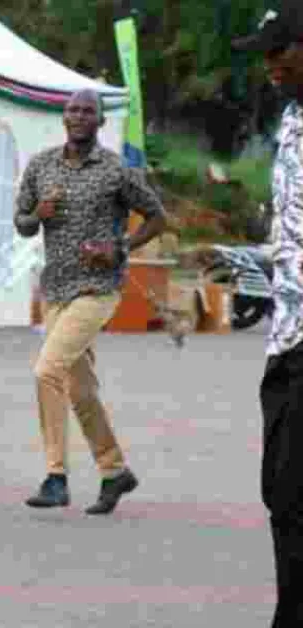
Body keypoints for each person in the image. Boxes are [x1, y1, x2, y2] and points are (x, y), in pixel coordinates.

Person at [13, 89, 166, 515]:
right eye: (72, 110)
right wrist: (38, 214)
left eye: (87, 111)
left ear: (100, 121)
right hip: (56, 288)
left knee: (47, 369)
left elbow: (157, 216)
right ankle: (115, 470)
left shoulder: (116, 170)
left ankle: (55, 476)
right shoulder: (41, 166)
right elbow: (22, 224)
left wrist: (120, 248)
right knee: (79, 388)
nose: (78, 116)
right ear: (63, 119)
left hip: (97, 289)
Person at [234, 6, 303, 626]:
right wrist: (256, 264)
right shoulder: (290, 120)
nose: (271, 63)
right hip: (288, 335)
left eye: (282, 49)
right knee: (283, 491)